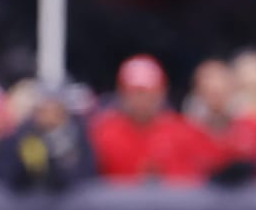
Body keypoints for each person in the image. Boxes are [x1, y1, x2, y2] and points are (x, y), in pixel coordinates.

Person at [89, 55, 208, 184]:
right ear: (121, 93)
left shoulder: (184, 131)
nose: (142, 101)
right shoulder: (102, 133)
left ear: (161, 92)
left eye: (149, 93)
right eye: (135, 92)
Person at [0, 83, 94, 192]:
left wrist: (60, 157)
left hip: (69, 199)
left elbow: (85, 176)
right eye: (44, 111)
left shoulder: (76, 135)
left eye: (55, 111)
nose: (49, 118)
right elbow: (5, 177)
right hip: (27, 199)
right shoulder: (21, 136)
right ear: (35, 112)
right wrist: (27, 164)